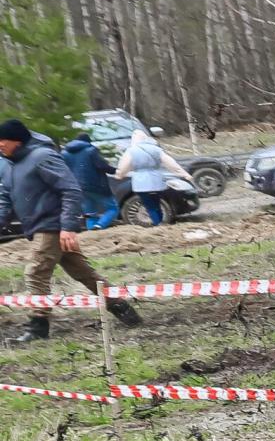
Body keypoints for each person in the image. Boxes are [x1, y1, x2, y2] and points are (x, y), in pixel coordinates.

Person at [0, 119, 142, 342]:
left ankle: (38, 327)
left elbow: (70, 189)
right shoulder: (10, 165)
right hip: (40, 226)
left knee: (35, 272)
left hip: (52, 226)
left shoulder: (42, 157)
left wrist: (67, 227)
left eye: (2, 141)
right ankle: (122, 308)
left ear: (17, 141)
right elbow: (5, 198)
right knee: (83, 273)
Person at [114, 130, 186, 224]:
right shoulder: (156, 149)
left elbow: (124, 165)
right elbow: (170, 163)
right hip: (157, 180)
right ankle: (160, 221)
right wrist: (183, 173)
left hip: (141, 182)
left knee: (149, 205)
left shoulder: (131, 151)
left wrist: (120, 174)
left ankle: (157, 224)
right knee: (157, 204)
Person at [61, 133, 118, 229]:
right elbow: (102, 165)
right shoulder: (91, 150)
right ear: (88, 141)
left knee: (90, 212)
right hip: (96, 185)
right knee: (112, 208)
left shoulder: (64, 153)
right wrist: (115, 171)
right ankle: (100, 225)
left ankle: (92, 232)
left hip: (77, 186)